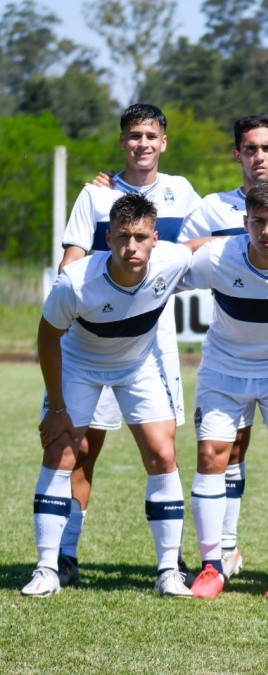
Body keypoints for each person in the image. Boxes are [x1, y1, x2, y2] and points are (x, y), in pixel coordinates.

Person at [24, 193, 199, 598]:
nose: (131, 247)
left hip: (137, 366)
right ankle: (48, 568)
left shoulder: (172, 260)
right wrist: (57, 408)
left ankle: (168, 571)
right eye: (122, 237)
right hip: (79, 364)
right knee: (61, 452)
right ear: (108, 237)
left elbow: (202, 248)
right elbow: (47, 338)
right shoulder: (76, 281)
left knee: (163, 453)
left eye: (140, 237)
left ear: (155, 238)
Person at [55, 104, 201, 586]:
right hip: (96, 334)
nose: (142, 143)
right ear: (123, 142)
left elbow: (205, 245)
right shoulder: (97, 196)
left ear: (164, 142)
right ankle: (64, 554)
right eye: (134, 135)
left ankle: (171, 558)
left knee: (162, 448)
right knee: (82, 445)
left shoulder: (181, 192)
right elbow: (71, 263)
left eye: (151, 135)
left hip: (154, 335)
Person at [177, 114, 268, 580]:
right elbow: (169, 258)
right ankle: (215, 562)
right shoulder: (215, 224)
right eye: (249, 148)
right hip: (224, 365)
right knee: (216, 454)